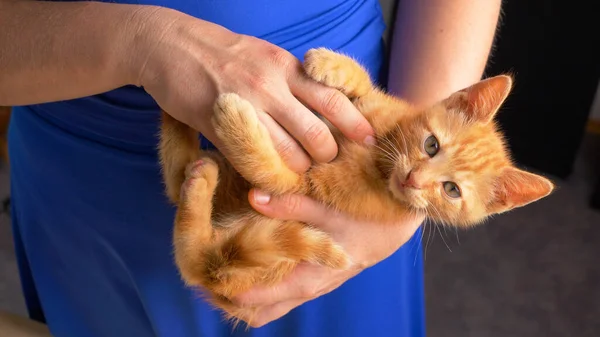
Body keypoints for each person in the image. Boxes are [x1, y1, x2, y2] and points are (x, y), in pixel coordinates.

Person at [0, 0, 502, 336]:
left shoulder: (414, 171)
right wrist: (141, 43)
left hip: (359, 158)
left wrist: (394, 206)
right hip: (85, 150)